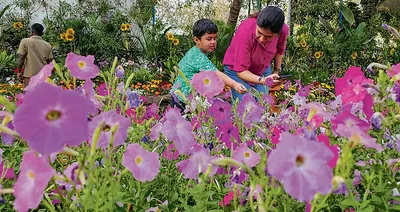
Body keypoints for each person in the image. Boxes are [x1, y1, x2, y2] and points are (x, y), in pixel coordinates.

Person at [170, 18, 246, 111]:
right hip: (182, 99)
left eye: (215, 38)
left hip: (181, 96)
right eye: (209, 39)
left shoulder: (194, 51)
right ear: (197, 40)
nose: (213, 42)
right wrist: (234, 84)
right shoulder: (197, 56)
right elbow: (217, 74)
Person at [223, 6, 289, 102]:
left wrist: (276, 71)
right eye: (259, 32)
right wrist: (264, 81)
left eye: (268, 36)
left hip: (262, 69)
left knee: (262, 103)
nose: (262, 39)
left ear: (277, 34)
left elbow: (279, 50)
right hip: (237, 70)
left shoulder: (283, 31)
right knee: (245, 104)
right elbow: (241, 71)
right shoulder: (245, 32)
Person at [17, 23, 53, 88]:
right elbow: (50, 62)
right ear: (42, 33)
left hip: (29, 76)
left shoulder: (25, 41)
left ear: (32, 32)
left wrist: (19, 72)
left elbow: (21, 58)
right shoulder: (47, 45)